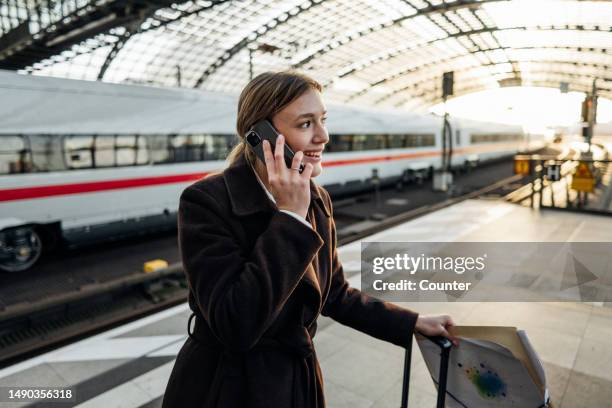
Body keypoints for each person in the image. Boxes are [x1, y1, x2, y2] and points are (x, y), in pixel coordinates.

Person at [162, 71, 457, 408]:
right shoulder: (207, 201)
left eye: (323, 120)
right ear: (261, 136)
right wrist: (289, 218)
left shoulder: (316, 198)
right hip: (224, 387)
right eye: (306, 124)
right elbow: (235, 324)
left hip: (295, 384)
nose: (324, 136)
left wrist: (411, 323)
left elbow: (335, 293)